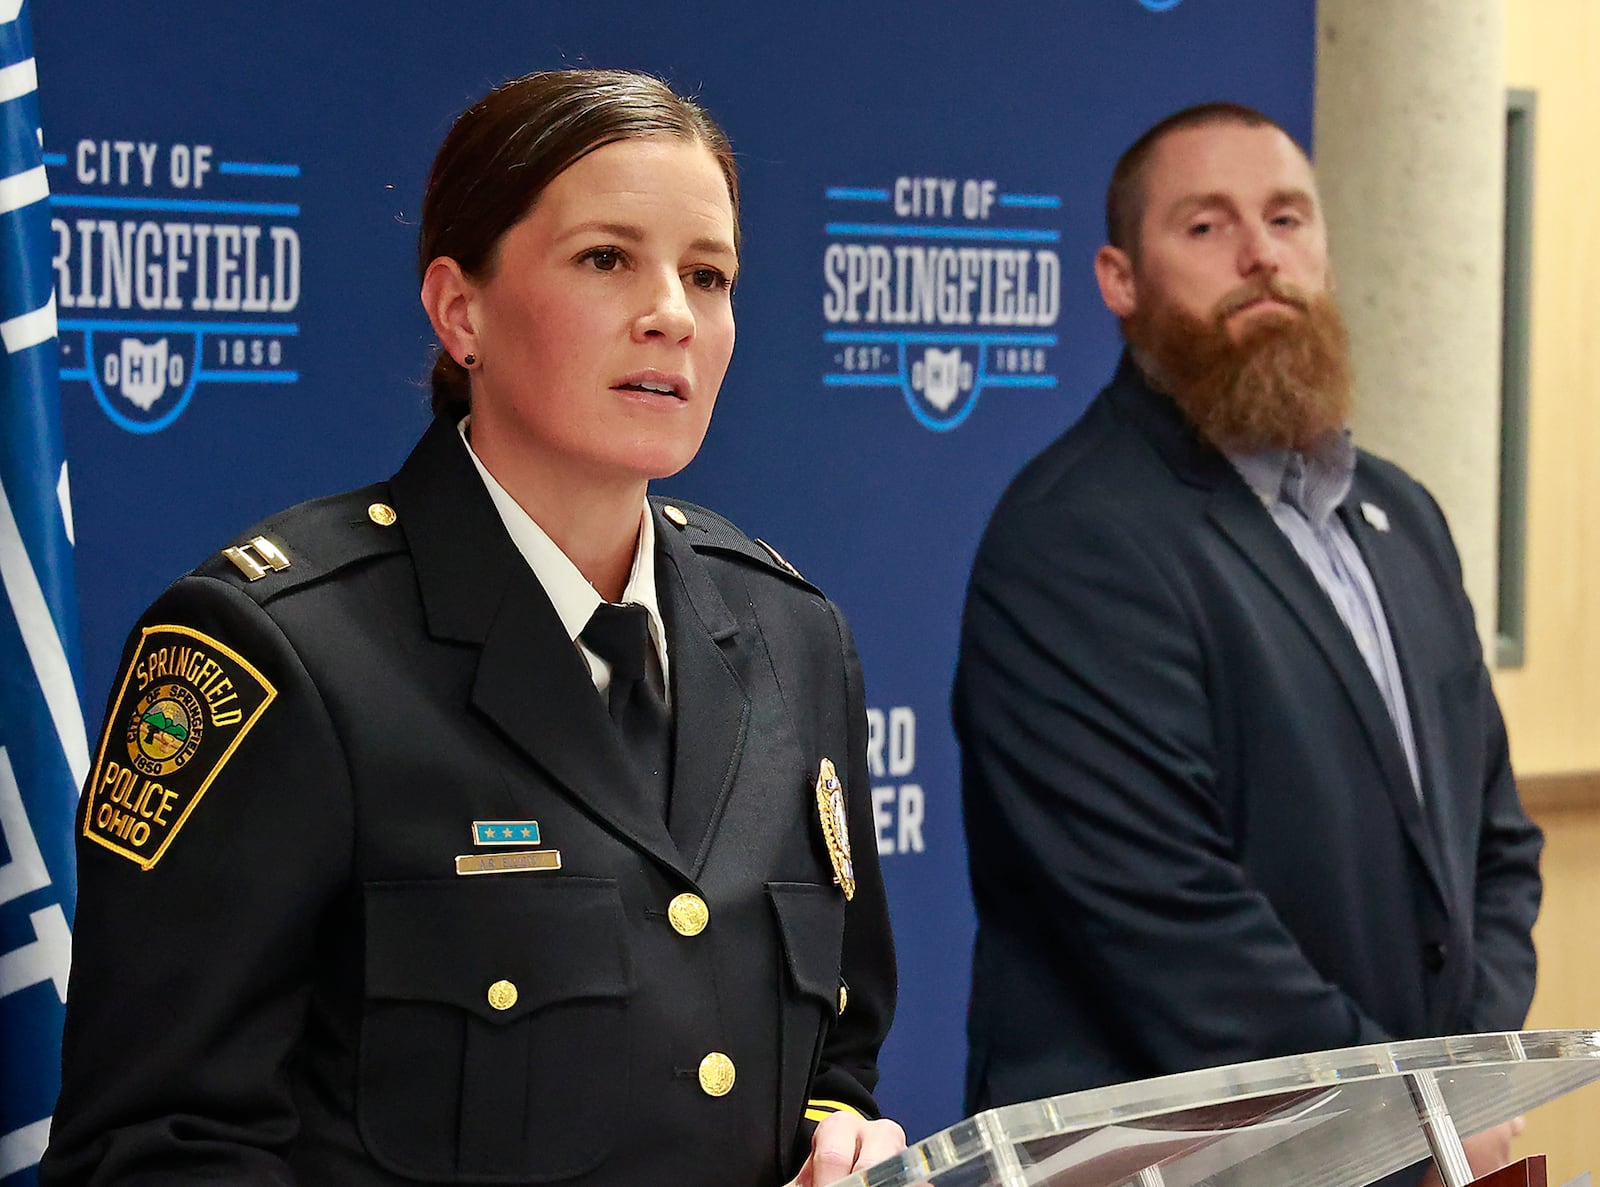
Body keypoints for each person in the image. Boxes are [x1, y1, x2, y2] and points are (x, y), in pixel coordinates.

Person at [43, 69, 902, 1187]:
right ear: (461, 311)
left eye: (708, 274)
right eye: (607, 259)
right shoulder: (275, 648)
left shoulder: (793, 637)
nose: (673, 313)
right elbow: (154, 1149)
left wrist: (843, 1134)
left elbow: (839, 1048)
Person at [954, 102, 1542, 1173]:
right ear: (1118, 279)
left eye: (1285, 217)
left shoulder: (1399, 514)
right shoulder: (1073, 535)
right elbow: (1165, 923)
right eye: (1206, 227)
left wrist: (1474, 1073)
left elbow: (1492, 840)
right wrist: (1418, 1108)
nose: (1260, 254)